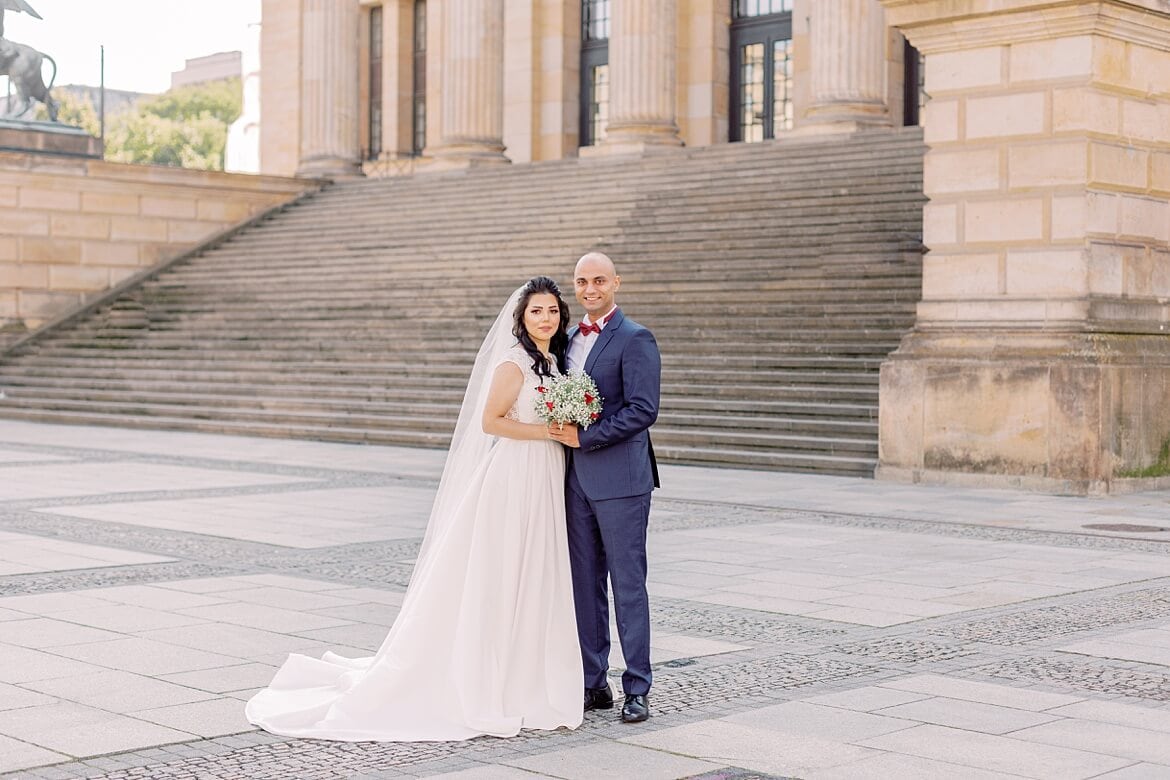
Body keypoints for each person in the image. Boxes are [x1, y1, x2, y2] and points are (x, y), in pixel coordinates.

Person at [245, 277, 583, 741]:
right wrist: (548, 432)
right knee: (503, 568)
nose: (545, 318)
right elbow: (491, 421)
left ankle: (525, 673)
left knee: (534, 569)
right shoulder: (514, 364)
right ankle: (484, 675)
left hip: (544, 471)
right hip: (514, 474)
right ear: (521, 320)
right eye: (535, 312)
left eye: (551, 311)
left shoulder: (553, 362)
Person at [549, 252, 661, 724]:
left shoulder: (635, 338)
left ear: (616, 282)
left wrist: (586, 437)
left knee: (628, 584)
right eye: (581, 281)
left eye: (598, 280)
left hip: (621, 481)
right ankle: (594, 683)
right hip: (575, 481)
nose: (589, 288)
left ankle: (637, 687)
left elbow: (643, 409)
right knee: (584, 584)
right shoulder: (570, 339)